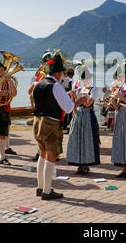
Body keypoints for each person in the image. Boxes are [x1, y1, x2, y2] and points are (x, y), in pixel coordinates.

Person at [32, 53, 87, 200]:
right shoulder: (55, 86)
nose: (62, 74)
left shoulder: (38, 84)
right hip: (51, 123)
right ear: (57, 73)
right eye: (61, 72)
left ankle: (40, 187)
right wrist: (79, 101)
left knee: (42, 154)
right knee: (50, 156)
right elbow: (68, 108)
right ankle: (47, 191)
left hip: (37, 122)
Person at [66, 66, 100, 174]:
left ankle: (86, 165)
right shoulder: (79, 89)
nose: (84, 81)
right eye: (82, 79)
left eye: (86, 79)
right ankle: (79, 164)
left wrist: (80, 98)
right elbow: (74, 104)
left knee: (87, 140)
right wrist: (73, 96)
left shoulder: (93, 89)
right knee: (77, 139)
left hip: (87, 115)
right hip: (78, 115)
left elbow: (88, 103)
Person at [29, 50, 52, 162]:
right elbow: (29, 91)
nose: (44, 67)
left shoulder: (53, 77)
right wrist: (35, 84)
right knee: (39, 133)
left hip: (50, 107)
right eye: (44, 64)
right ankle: (40, 152)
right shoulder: (36, 76)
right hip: (39, 107)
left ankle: (51, 153)